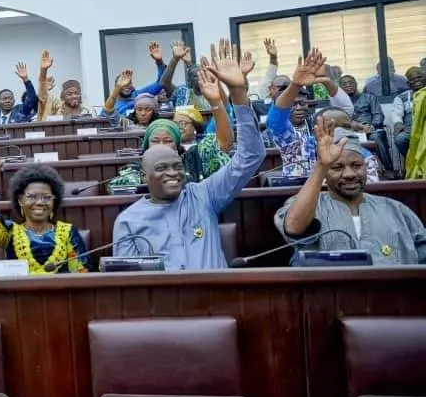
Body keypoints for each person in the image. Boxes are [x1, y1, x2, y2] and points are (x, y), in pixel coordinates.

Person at [112, 39, 266, 269]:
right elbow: (127, 287)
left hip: (218, 301)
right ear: (145, 176)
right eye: (162, 168)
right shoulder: (128, 221)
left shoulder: (203, 196)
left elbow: (251, 155)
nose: (173, 173)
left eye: (176, 165)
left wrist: (238, 93)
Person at [275, 118, 425, 264]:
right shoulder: (308, 205)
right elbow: (294, 227)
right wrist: (322, 165)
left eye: (356, 165)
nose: (349, 174)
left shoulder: (396, 210)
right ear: (326, 173)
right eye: (337, 167)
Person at [0, 148, 90, 273]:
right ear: (20, 200)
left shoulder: (68, 232)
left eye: (46, 197)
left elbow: (81, 273)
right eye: (32, 197)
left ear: (54, 201)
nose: (40, 202)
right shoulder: (10, 233)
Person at [265, 50, 357, 179]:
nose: (298, 108)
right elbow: (276, 120)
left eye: (302, 103)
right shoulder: (286, 135)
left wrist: (325, 80)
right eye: (292, 104)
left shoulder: (317, 122)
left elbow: (346, 111)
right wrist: (295, 84)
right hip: (297, 189)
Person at [339, 75, 392, 172]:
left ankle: (388, 169)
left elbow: (378, 114)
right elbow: (339, 120)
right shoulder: (339, 103)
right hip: (350, 131)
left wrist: (372, 126)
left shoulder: (369, 97)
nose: (348, 85)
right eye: (344, 84)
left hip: (371, 130)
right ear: (340, 88)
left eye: (351, 82)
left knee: (375, 137)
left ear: (356, 84)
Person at [102, 42, 169, 117]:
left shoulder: (139, 95)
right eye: (123, 84)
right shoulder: (114, 106)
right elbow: (104, 115)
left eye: (129, 83)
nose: (126, 86)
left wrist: (159, 62)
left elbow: (161, 83)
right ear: (116, 86)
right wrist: (118, 87)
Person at [392, 66, 425, 158]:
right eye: (412, 79)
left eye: (419, 77)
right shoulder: (401, 98)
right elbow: (397, 116)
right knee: (400, 139)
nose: (416, 80)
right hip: (410, 129)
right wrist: (398, 124)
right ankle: (411, 162)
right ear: (408, 83)